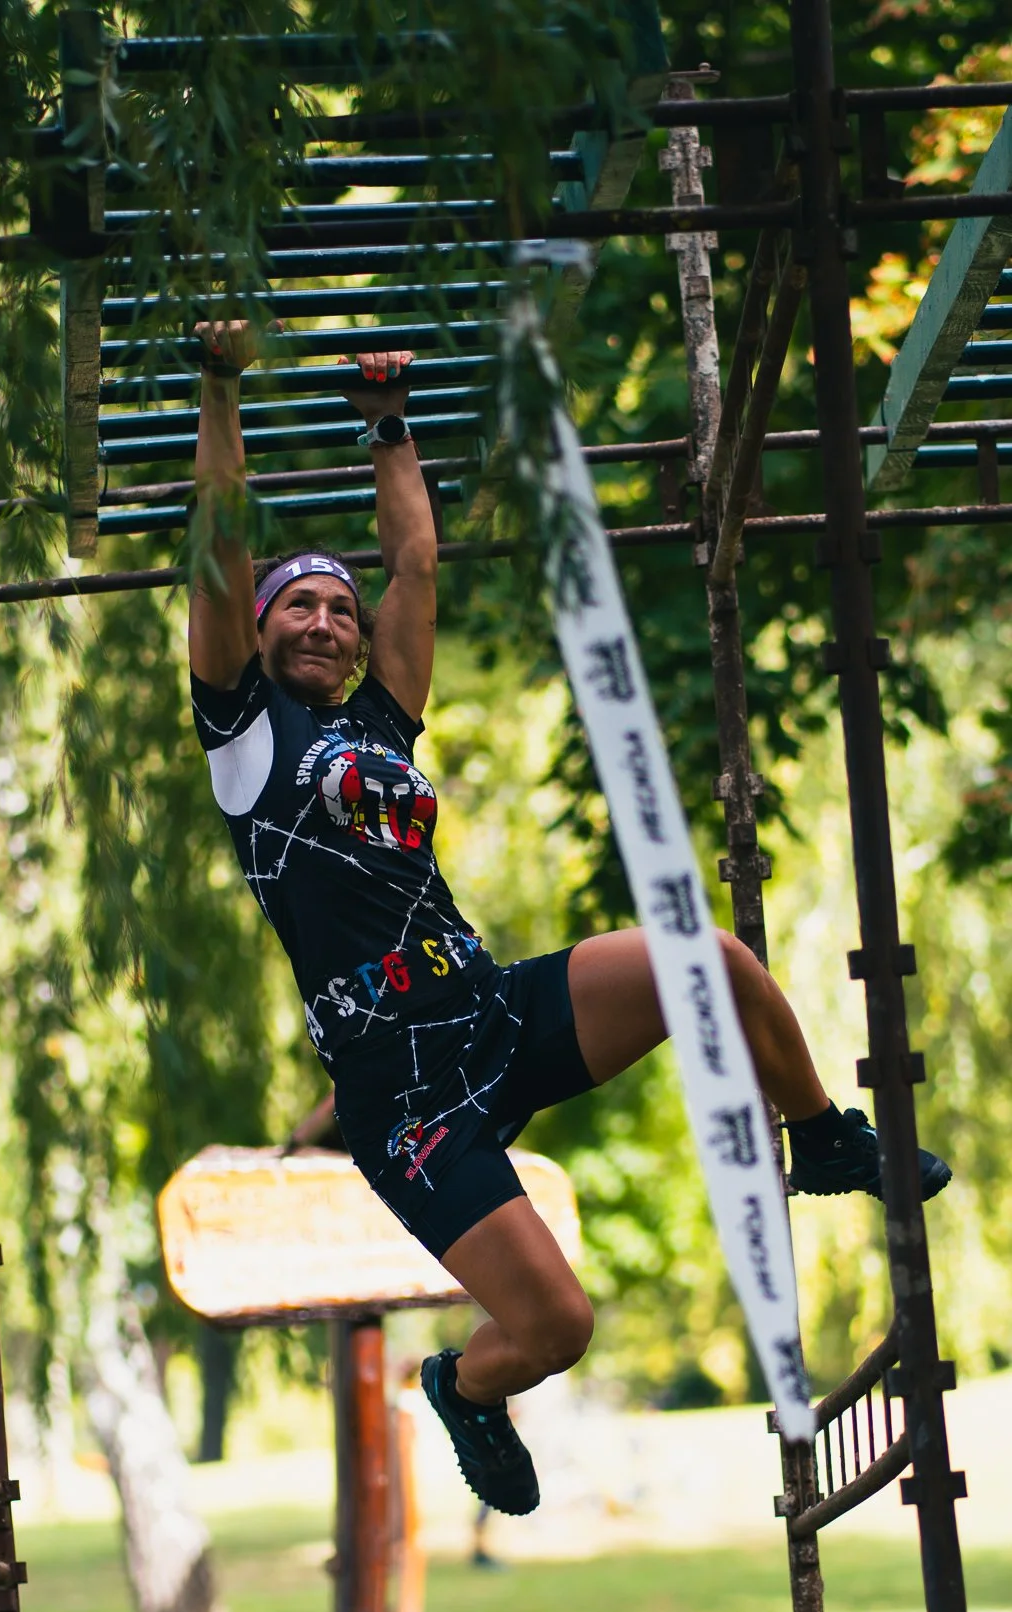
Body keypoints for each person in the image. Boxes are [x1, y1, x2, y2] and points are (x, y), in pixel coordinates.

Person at [187, 320, 952, 1519]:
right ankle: (464, 1388)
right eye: (300, 608)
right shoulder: (243, 740)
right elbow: (219, 559)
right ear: (260, 632)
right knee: (556, 1325)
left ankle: (822, 1139)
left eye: (340, 607)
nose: (326, 620)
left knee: (713, 961)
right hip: (408, 1098)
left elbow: (418, 564)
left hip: (490, 1009)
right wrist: (221, 389)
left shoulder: (381, 721)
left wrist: (388, 422)